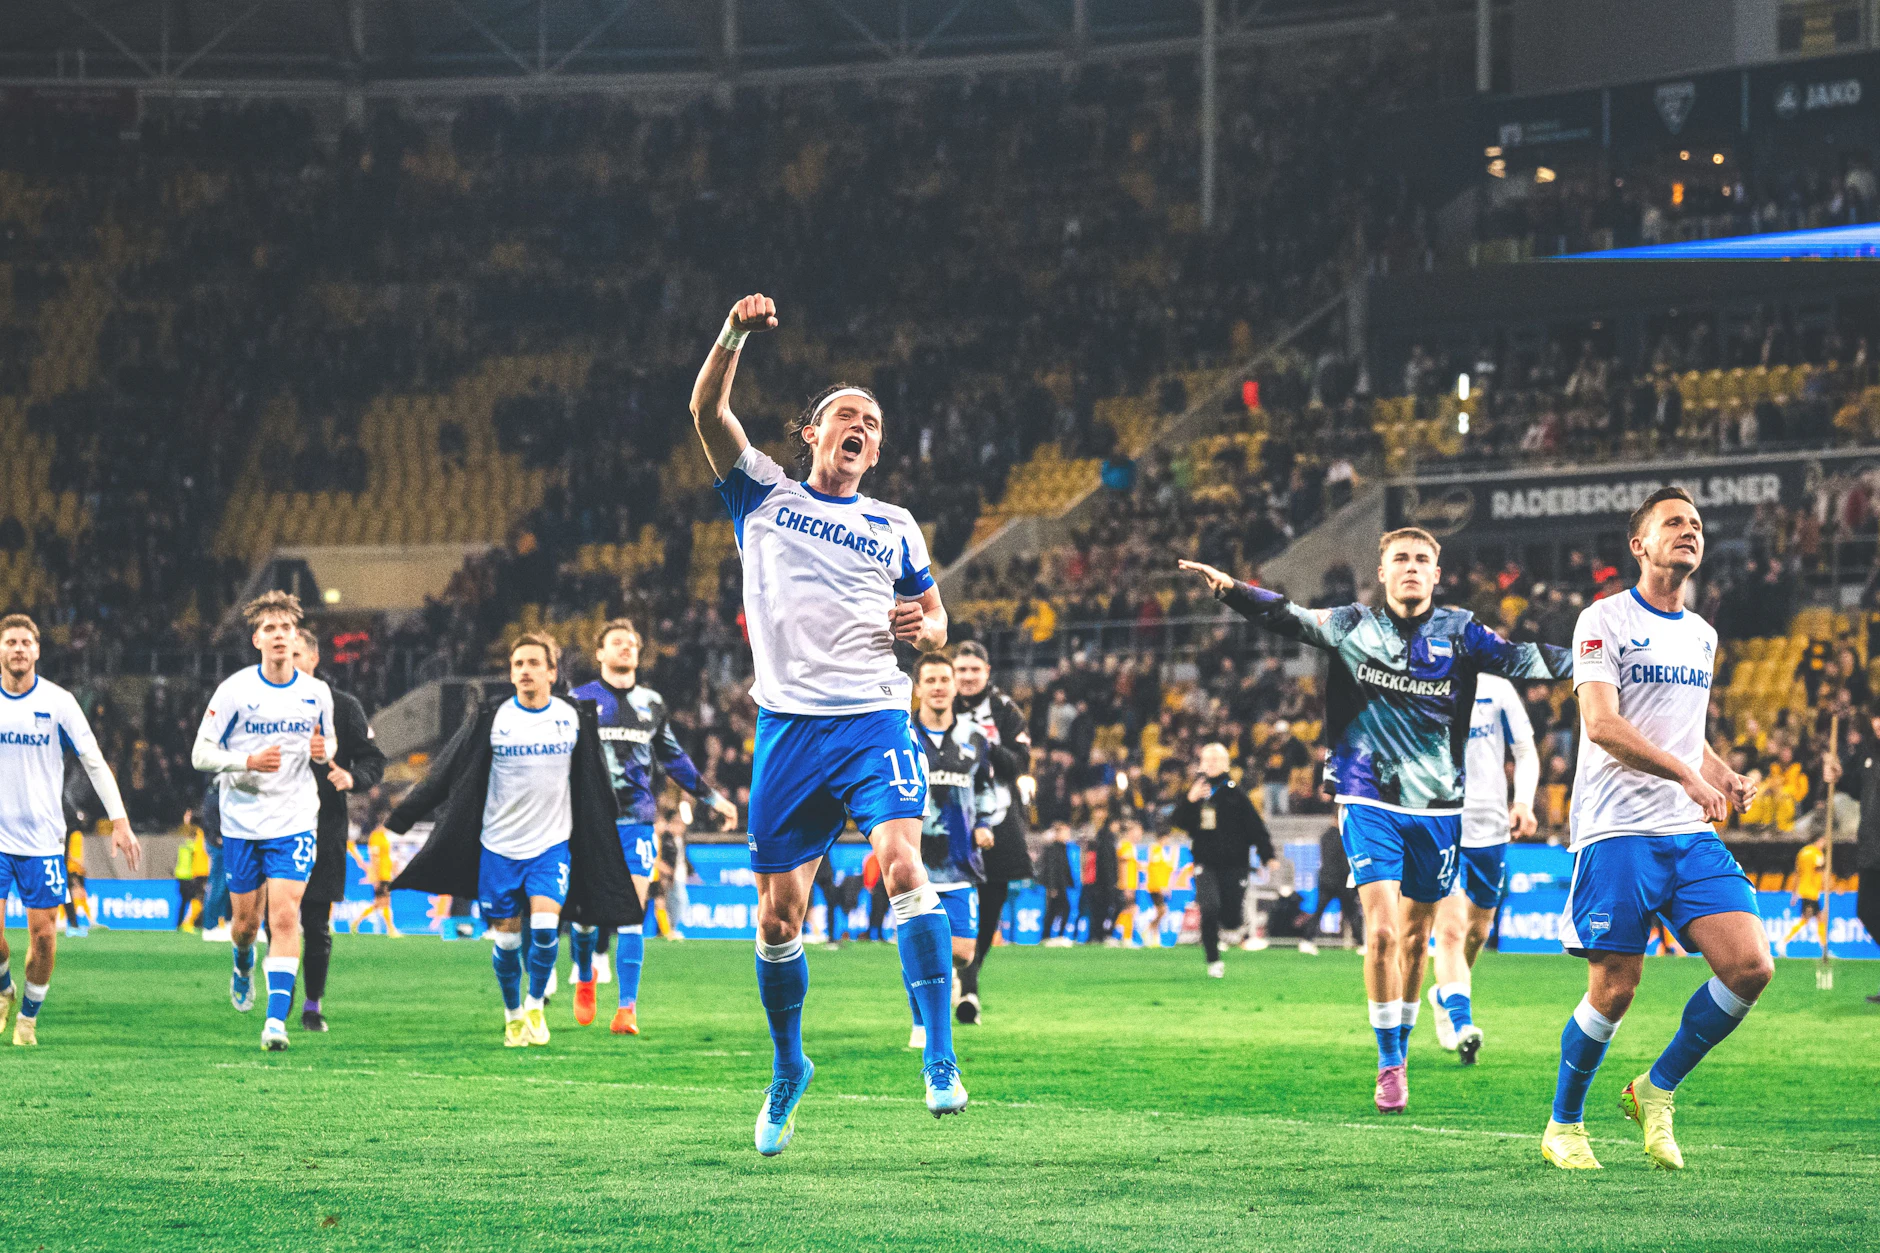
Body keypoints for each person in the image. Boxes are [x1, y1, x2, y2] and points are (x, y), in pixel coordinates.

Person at [690, 292, 963, 1155]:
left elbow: (937, 617)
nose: (863, 427)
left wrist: (928, 629)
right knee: (777, 919)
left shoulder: (896, 524)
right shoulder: (761, 492)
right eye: (847, 414)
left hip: (875, 716)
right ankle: (788, 1067)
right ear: (811, 433)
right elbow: (705, 408)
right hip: (787, 730)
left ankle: (941, 1058)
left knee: (902, 862)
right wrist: (732, 331)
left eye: (874, 424)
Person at [1179, 527, 1570, 1115]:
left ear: (1436, 575)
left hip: (1439, 809)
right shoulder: (1353, 624)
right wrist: (1233, 590)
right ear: (1382, 573)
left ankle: (1404, 1047)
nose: (1411, 568)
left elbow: (1529, 661)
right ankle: (1389, 1065)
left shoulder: (1462, 632)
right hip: (1368, 799)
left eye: (1421, 560)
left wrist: (1604, 655)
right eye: (1400, 560)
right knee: (1384, 931)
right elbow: (1289, 617)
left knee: (1417, 941)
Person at [1541, 486, 1768, 1172]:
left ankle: (1655, 1088)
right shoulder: (1602, 619)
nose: (1689, 531)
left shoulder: (1703, 634)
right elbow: (1603, 724)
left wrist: (1720, 772)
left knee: (1750, 964)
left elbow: (1683, 734)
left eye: (1696, 524)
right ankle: (1564, 1123)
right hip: (1616, 829)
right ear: (1640, 544)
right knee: (1616, 986)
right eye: (1674, 522)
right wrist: (1689, 777)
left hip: (1685, 827)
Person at [387, 634, 637, 1049]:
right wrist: (401, 818)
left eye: (533, 663)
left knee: (544, 930)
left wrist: (610, 811)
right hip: (499, 848)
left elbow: (593, 775)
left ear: (551, 672)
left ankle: (536, 1005)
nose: (523, 670)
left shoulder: (572, 717)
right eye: (517, 663)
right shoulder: (493, 718)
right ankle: (512, 1013)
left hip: (552, 846)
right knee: (506, 941)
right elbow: (445, 771)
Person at [570, 618, 736, 1035]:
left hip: (637, 820)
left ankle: (627, 1009)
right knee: (587, 918)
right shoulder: (578, 701)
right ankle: (586, 975)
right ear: (601, 653)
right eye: (617, 643)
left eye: (632, 644)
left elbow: (675, 759)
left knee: (631, 911)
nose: (626, 648)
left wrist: (713, 798)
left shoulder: (652, 703)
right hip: (591, 821)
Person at [191, 592, 337, 1052]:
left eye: (286, 629)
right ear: (257, 639)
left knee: (286, 914)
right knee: (245, 925)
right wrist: (245, 760)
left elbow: (328, 742)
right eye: (270, 629)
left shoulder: (316, 693)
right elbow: (200, 754)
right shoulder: (236, 690)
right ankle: (241, 962)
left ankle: (275, 1022)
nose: (279, 636)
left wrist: (324, 753)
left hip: (294, 819)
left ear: (297, 639)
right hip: (241, 824)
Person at [0, 613, 140, 1045]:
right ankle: (4, 986)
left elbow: (93, 759)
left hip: (43, 839)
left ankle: (27, 1017)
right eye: (10, 642)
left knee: (43, 937)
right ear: (1, 650)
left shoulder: (58, 702)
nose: (18, 648)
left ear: (38, 651)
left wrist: (119, 819)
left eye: (26, 642)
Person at [1428, 673, 1538, 1065]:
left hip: (1490, 827)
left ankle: (1446, 992)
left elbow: (1525, 750)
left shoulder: (1497, 689)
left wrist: (1523, 802)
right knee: (1451, 929)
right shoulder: (1418, 681)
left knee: (1478, 931)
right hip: (1438, 822)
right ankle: (1462, 1023)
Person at [292, 627, 387, 1033]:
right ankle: (270, 983)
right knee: (265, 921)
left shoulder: (342, 707)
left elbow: (373, 761)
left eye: (296, 654)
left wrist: (352, 778)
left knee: (315, 924)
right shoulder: (255, 706)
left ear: (314, 659)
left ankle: (312, 1006)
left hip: (323, 828)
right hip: (269, 827)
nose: (287, 662)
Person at [907, 654, 996, 1046]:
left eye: (945, 679)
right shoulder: (901, 734)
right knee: (920, 941)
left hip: (960, 858)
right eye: (931, 680)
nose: (939, 686)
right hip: (911, 857)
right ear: (919, 688)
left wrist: (984, 823)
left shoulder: (975, 737)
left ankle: (949, 992)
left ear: (955, 686)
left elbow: (985, 787)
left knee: (962, 952)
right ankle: (921, 1023)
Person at [950, 642, 1034, 1011]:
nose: (967, 677)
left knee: (992, 900)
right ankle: (959, 983)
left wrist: (985, 745)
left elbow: (1021, 764)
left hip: (998, 817)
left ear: (987, 673)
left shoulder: (1004, 710)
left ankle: (969, 978)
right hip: (948, 819)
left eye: (974, 670)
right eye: (961, 670)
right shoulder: (938, 706)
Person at [1169, 743, 1271, 978]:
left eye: (1216, 760)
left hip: (1235, 865)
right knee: (1209, 907)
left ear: (1226, 764)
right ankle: (1213, 959)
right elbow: (1178, 822)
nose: (1211, 764)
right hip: (1206, 862)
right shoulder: (1195, 792)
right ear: (1201, 764)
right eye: (1207, 760)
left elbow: (1255, 827)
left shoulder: (1236, 793)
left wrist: (1267, 854)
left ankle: (1235, 929)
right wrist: (1189, 800)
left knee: (1231, 917)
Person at [1822, 720, 1880, 1002]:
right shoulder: (1870, 755)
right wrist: (1838, 775)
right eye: (1876, 719)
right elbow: (1855, 788)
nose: (1878, 724)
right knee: (1866, 911)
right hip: (1871, 849)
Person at [1299, 823, 1359, 956]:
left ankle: (1307, 940)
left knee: (1319, 911)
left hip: (1326, 879)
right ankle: (1361, 943)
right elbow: (1343, 861)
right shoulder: (1343, 836)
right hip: (1340, 881)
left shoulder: (1325, 835)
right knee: (1351, 912)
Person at [1776, 832, 1830, 957]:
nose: (1824, 844)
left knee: (1820, 918)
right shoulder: (1817, 854)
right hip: (1811, 892)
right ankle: (1782, 943)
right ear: (1818, 840)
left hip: (1803, 890)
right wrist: (1829, 885)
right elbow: (1820, 870)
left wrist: (1794, 894)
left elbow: (1797, 873)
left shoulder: (1802, 853)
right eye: (1823, 841)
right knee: (1806, 919)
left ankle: (1824, 949)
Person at [348, 822, 400, 936]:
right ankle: (391, 929)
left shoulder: (384, 837)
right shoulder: (376, 837)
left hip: (386, 874)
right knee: (385, 901)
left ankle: (356, 922)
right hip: (380, 875)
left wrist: (393, 870)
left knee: (378, 903)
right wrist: (375, 877)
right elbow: (374, 858)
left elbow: (387, 856)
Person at [199, 782, 232, 942]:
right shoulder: (215, 793)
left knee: (228, 885)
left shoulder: (218, 790)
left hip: (224, 842)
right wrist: (215, 837)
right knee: (217, 884)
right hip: (218, 843)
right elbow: (209, 818)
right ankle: (210, 926)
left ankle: (228, 923)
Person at [1038, 823, 1076, 946]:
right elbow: (1051, 869)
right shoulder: (1053, 849)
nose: (1068, 835)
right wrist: (1052, 886)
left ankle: (1048, 936)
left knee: (1055, 911)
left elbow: (1065, 868)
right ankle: (1054, 936)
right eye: (1065, 833)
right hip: (1056, 886)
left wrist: (1070, 882)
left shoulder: (1063, 848)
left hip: (1062, 885)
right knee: (1061, 909)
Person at [1144, 827, 1180, 947]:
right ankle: (1149, 930)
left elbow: (1169, 870)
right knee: (1162, 910)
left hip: (1161, 886)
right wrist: (1161, 886)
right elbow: (1154, 869)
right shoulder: (1155, 849)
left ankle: (1153, 936)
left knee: (1161, 911)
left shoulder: (1164, 851)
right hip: (1155, 886)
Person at [174, 816, 210, 933]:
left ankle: (185, 923)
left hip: (191, 873)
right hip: (199, 872)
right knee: (198, 898)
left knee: (194, 899)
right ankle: (187, 923)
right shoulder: (201, 838)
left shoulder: (194, 838)